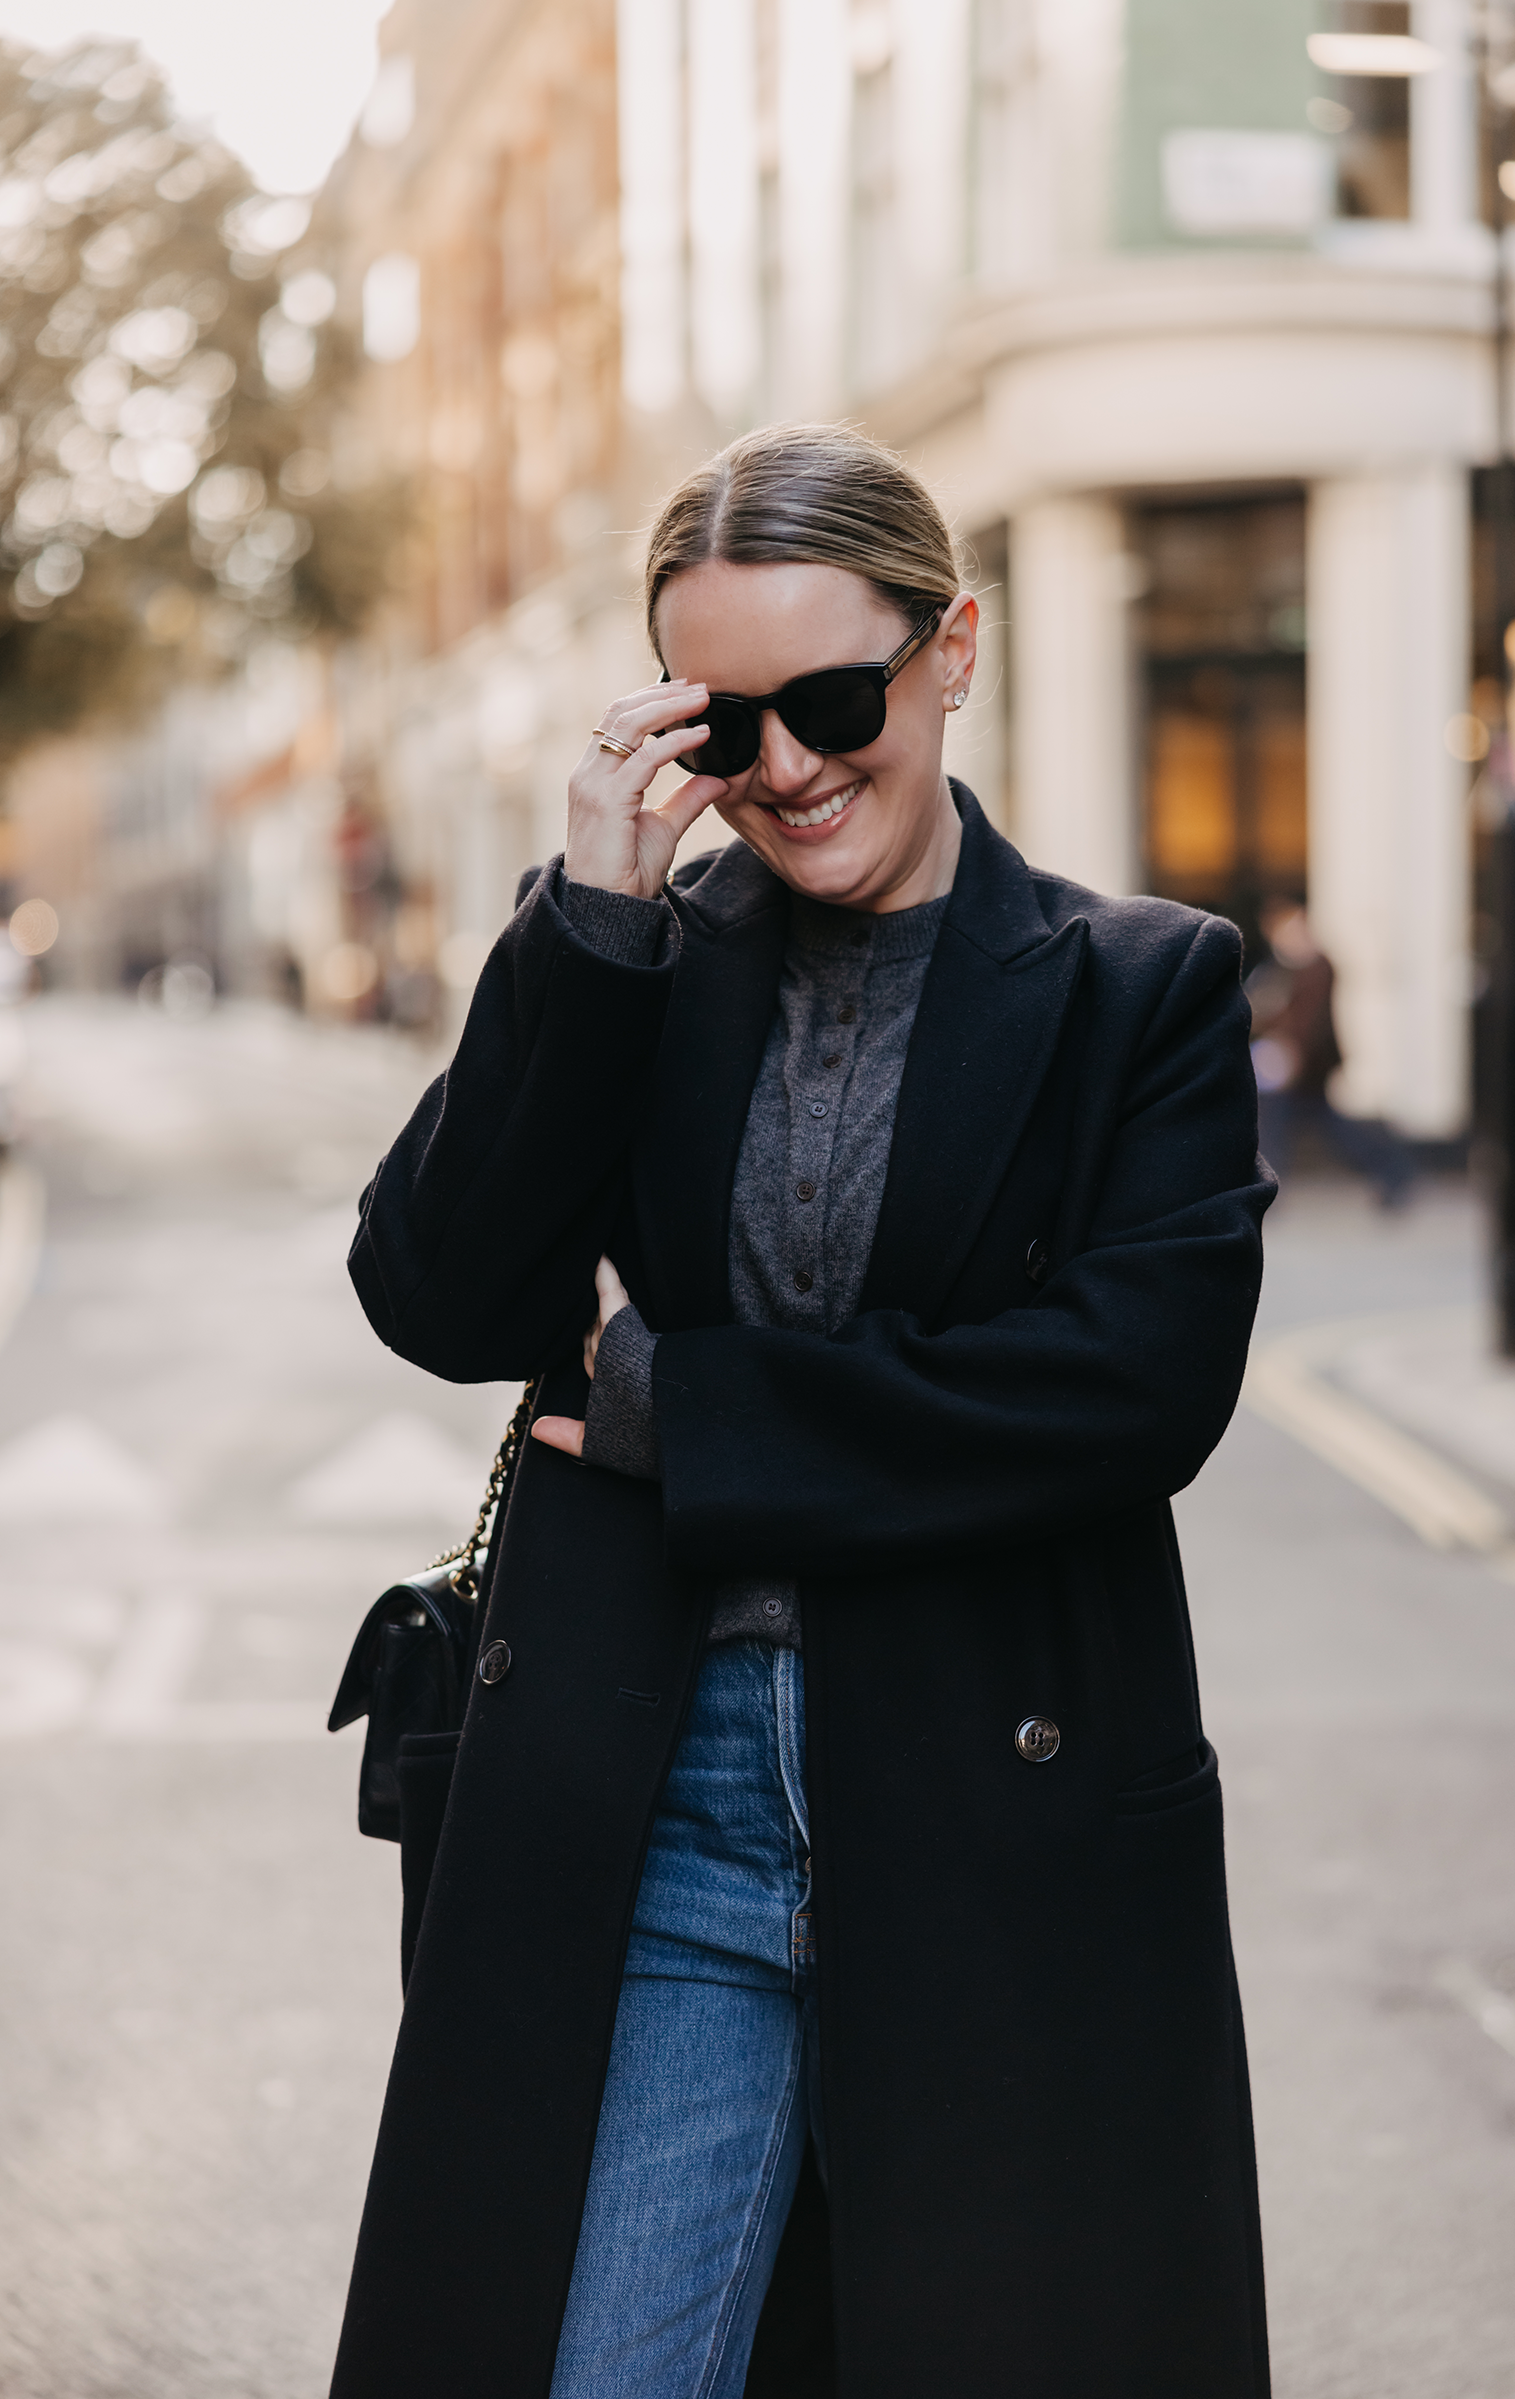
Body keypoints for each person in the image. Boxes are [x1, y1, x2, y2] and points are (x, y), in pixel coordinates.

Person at [331, 423, 1276, 2399]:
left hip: (984, 1799)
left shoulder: (1141, 989)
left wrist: (688, 1406)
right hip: (655, 1792)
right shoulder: (639, 957)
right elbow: (434, 1291)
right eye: (721, 722)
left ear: (953, 650)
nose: (779, 770)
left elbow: (1127, 1384)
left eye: (829, 700)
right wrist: (587, 917)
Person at [1249, 896, 1414, 1207]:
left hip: (1306, 1065)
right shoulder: (1292, 967)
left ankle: (1391, 1172)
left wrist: (1295, 1052)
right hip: (1298, 1065)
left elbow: (1312, 1020)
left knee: (1309, 1125)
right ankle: (1391, 1173)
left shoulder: (1317, 966)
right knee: (1308, 1123)